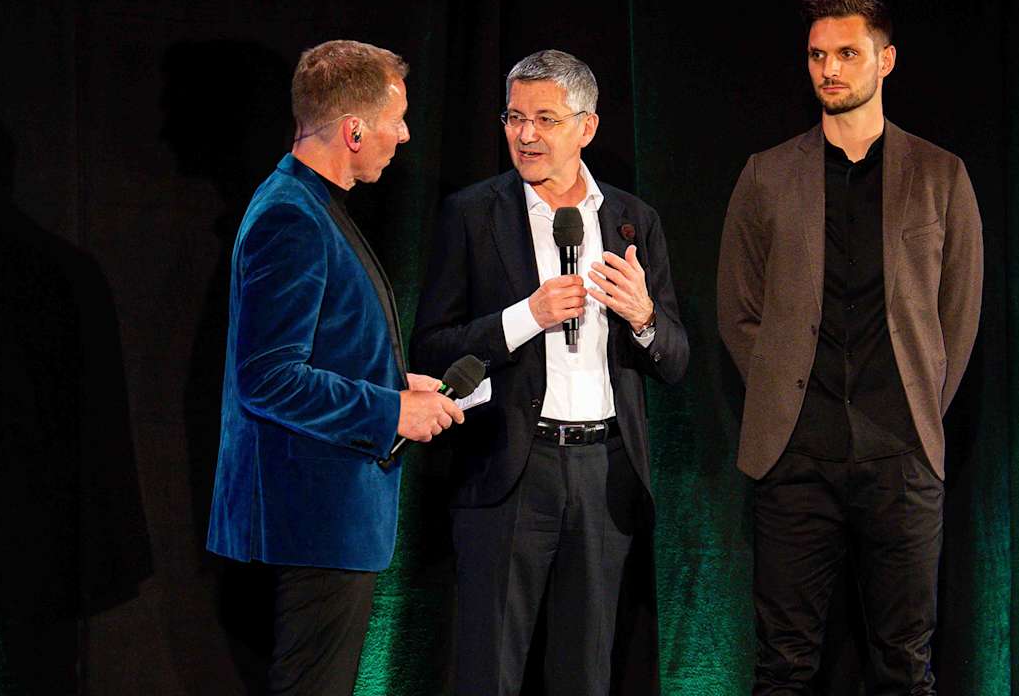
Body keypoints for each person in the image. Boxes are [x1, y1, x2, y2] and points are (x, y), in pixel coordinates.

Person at [717, 0, 983, 694]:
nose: (828, 69)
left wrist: (915, 401)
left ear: (885, 60)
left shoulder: (940, 175)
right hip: (794, 457)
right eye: (817, 55)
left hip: (902, 456)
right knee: (783, 666)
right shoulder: (765, 175)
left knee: (906, 667)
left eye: (846, 53)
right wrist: (784, 392)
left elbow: (957, 318)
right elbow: (738, 314)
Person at [411, 49, 688, 695]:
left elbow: (676, 360)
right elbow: (430, 351)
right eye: (513, 117)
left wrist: (645, 316)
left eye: (544, 119)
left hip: (604, 473)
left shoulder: (631, 220)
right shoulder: (472, 214)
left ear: (586, 127)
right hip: (510, 469)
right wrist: (525, 316)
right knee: (489, 671)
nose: (526, 135)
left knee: (586, 674)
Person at [205, 39, 463, 696]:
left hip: (322, 519)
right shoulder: (291, 216)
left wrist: (391, 379)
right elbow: (266, 377)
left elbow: (317, 349)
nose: (404, 136)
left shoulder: (308, 205)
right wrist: (391, 411)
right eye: (395, 120)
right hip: (312, 523)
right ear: (353, 130)